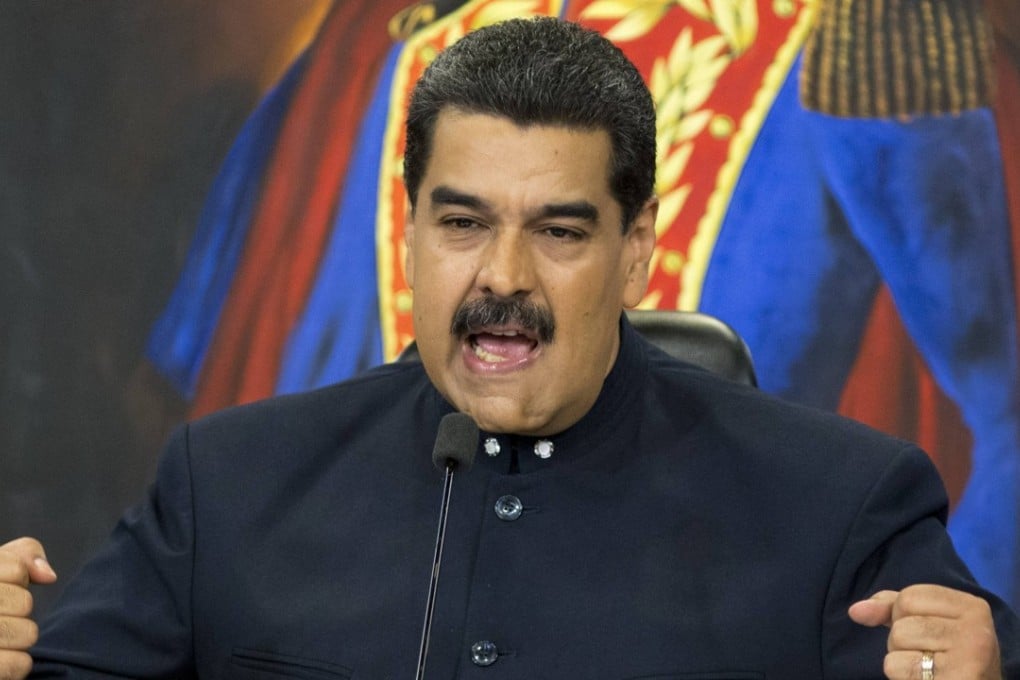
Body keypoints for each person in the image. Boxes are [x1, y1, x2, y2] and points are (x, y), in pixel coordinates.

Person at [1, 16, 1018, 678]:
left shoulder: (842, 503)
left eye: (561, 231)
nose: (504, 278)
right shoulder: (223, 485)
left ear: (635, 258)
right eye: (462, 223)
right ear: (411, 237)